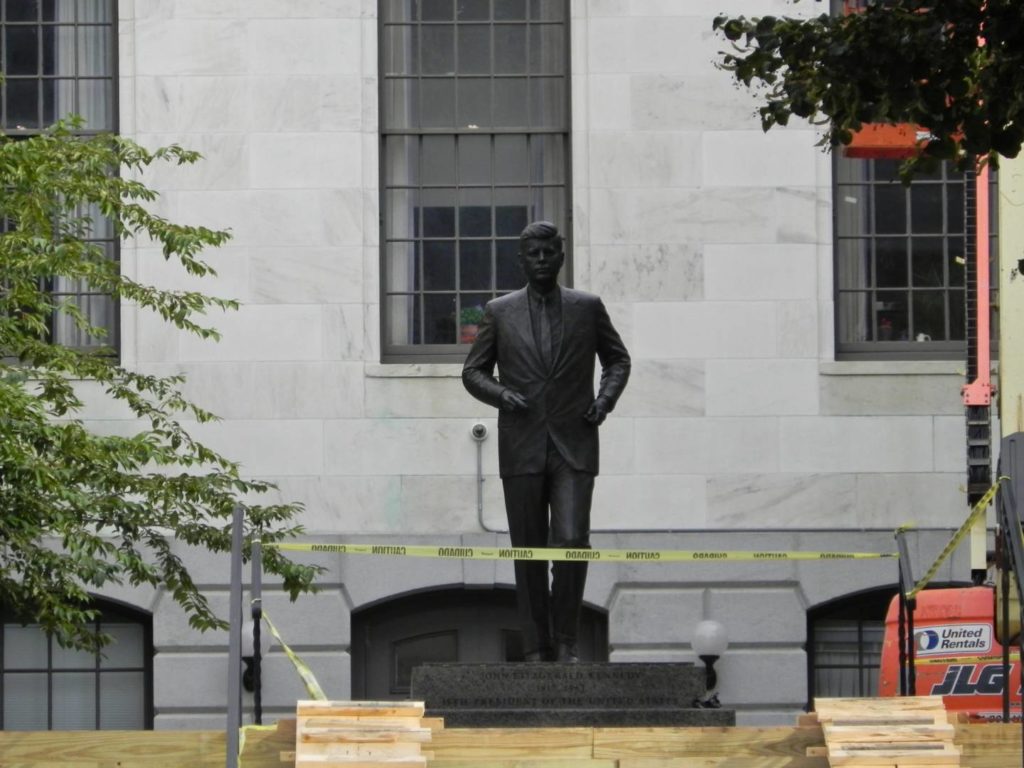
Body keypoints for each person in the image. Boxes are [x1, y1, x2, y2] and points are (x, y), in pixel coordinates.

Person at [462, 221, 631, 663]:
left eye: (548, 253)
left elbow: (617, 359)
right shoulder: (500, 311)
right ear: (522, 260)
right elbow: (472, 371)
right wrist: (501, 394)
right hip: (521, 444)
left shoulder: (587, 307)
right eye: (533, 254)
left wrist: (604, 401)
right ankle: (538, 647)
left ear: (560, 256)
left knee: (573, 541)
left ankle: (568, 641)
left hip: (574, 441)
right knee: (529, 551)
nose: (541, 260)